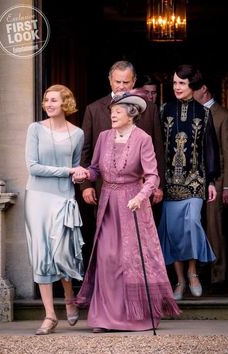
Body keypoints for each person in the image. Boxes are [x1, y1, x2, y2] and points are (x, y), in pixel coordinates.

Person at [73, 90, 181, 333]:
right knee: (107, 257)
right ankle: (104, 318)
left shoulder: (143, 138)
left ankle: (136, 317)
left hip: (133, 204)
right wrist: (84, 175)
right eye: (112, 112)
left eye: (118, 112)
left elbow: (153, 175)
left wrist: (140, 197)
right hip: (109, 202)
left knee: (130, 260)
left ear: (131, 114)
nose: (113, 115)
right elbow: (94, 169)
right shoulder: (103, 137)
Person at [25, 84, 85, 335]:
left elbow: (76, 167)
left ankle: (69, 296)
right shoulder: (35, 129)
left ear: (65, 104)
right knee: (42, 254)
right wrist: (69, 172)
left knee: (63, 253)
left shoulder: (78, 133)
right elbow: (33, 166)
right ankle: (50, 315)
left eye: (54, 100)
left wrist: (78, 175)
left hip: (63, 198)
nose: (48, 104)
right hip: (37, 197)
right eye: (46, 100)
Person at [158, 64, 220, 301]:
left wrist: (212, 181)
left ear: (192, 86)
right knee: (172, 231)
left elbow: (211, 148)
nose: (177, 87)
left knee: (192, 223)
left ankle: (193, 272)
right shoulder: (164, 110)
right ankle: (180, 279)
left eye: (181, 83)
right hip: (169, 183)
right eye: (174, 83)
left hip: (195, 182)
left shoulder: (204, 113)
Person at [80, 60, 165, 208]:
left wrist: (159, 184)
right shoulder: (93, 110)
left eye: (126, 82)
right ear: (110, 80)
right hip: (104, 187)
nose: (121, 86)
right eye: (117, 81)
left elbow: (158, 149)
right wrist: (86, 185)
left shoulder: (150, 109)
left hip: (141, 188)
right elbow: (85, 150)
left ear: (134, 81)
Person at [193, 73, 228, 291]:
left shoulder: (222, 115)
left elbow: (227, 153)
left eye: (192, 89)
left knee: (215, 228)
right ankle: (200, 273)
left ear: (203, 89)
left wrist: (226, 185)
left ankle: (219, 276)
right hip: (195, 181)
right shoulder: (194, 113)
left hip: (217, 180)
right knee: (196, 226)